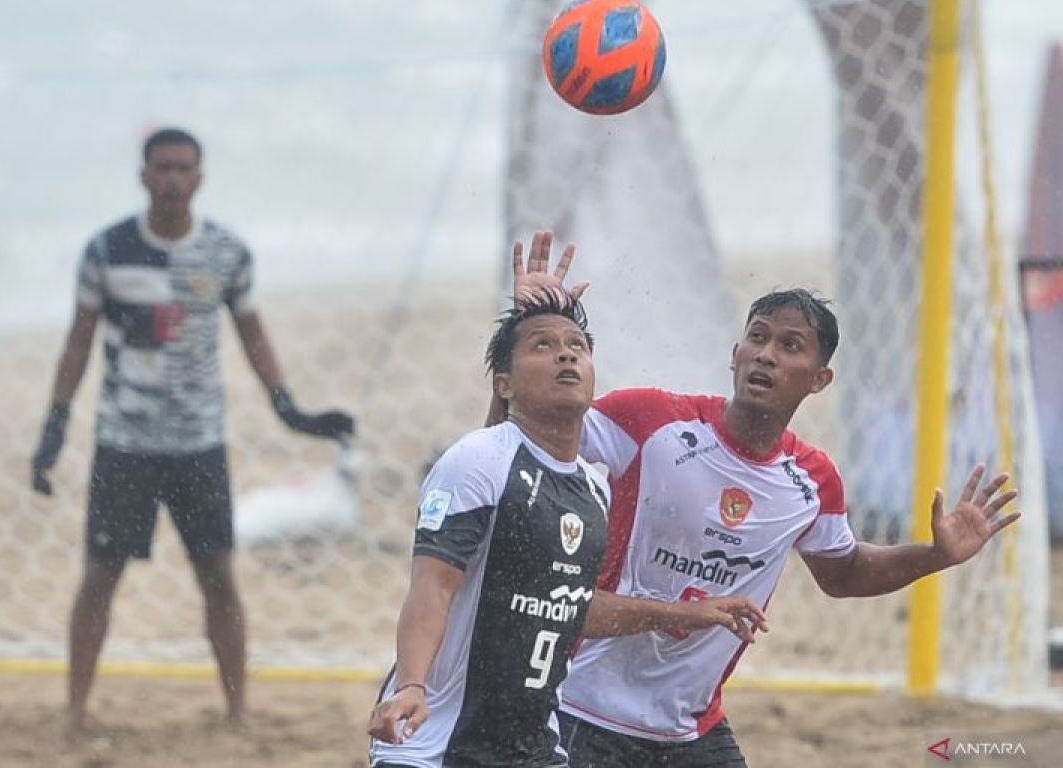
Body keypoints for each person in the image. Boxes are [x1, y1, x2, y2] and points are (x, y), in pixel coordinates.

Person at [496, 232, 1020, 768]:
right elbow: (503, 450)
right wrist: (522, 343)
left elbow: (843, 575)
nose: (767, 356)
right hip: (586, 711)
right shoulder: (651, 420)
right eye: (758, 338)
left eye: (789, 346)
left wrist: (936, 556)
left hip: (692, 730)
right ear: (736, 354)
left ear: (819, 380)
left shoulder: (813, 480)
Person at [29, 127, 355, 732]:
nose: (173, 179)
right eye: (162, 168)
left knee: (218, 576)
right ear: (143, 175)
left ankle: (236, 712)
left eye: (184, 168)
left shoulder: (226, 254)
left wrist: (287, 406)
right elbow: (79, 339)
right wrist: (55, 422)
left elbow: (252, 332)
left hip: (198, 445)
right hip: (123, 442)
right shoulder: (108, 251)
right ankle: (74, 710)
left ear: (200, 177)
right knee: (100, 575)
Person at [368, 293, 767, 768]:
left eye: (577, 345)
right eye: (542, 346)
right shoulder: (477, 461)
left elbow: (571, 607)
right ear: (505, 384)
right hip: (438, 742)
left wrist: (688, 612)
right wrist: (412, 683)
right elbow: (432, 586)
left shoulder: (593, 489)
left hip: (532, 746)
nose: (565, 353)